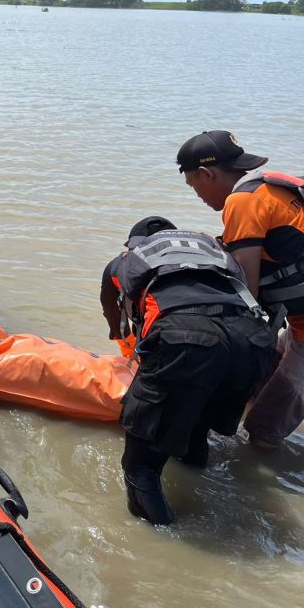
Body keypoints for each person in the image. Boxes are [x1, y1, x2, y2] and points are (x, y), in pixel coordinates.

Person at [178, 130, 304, 449]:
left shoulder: (242, 202)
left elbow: (245, 294)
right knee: (257, 384)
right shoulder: (270, 188)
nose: (200, 198)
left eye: (196, 189)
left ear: (206, 174)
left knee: (263, 431)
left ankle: (259, 479)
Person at [100, 216, 275, 525]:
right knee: (197, 429)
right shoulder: (213, 253)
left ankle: (161, 546)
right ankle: (196, 473)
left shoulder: (127, 259)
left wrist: (124, 340)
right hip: (251, 342)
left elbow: (113, 310)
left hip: (186, 339)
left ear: (132, 243)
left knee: (141, 467)